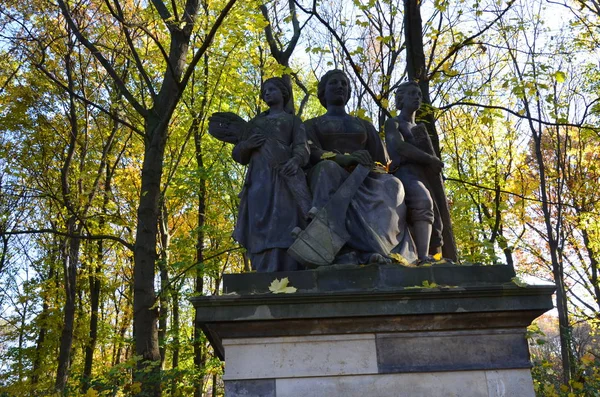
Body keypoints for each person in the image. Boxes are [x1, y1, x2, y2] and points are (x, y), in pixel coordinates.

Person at [304, 69, 416, 265]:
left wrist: (370, 167)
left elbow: (382, 161)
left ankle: (381, 249)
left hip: (365, 177)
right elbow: (311, 152)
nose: (340, 86)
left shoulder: (363, 125)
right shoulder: (312, 125)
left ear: (348, 93)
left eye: (344, 84)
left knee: (393, 184)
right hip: (330, 174)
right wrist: (342, 159)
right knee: (327, 169)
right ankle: (333, 244)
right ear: (323, 92)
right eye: (334, 83)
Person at [228, 77, 311, 272]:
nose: (267, 93)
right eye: (265, 90)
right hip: (259, 180)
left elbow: (302, 147)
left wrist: (296, 160)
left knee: (285, 220)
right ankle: (262, 267)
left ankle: (288, 266)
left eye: (272, 89)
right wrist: (247, 145)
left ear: (283, 93)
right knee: (259, 221)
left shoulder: (292, 120)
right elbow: (239, 155)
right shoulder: (255, 123)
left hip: (284, 178)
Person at [384, 81, 444, 263]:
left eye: (419, 94)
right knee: (423, 200)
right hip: (405, 173)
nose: (417, 97)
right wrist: (429, 159)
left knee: (437, 220)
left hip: (424, 176)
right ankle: (422, 257)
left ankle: (432, 254)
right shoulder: (393, 123)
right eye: (412, 94)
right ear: (401, 98)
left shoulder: (420, 130)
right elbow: (399, 146)